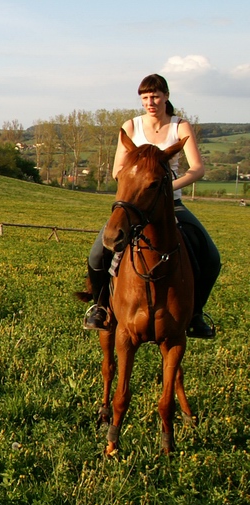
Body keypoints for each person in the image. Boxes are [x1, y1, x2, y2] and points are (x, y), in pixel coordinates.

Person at [83, 73, 220, 340]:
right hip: (135, 205)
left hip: (171, 205)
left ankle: (196, 315)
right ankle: (100, 307)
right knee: (98, 254)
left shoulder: (180, 126)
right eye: (145, 97)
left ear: (166, 96)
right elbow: (117, 170)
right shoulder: (131, 126)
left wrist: (168, 189)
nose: (150, 102)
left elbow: (198, 169)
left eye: (155, 96)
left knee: (211, 257)